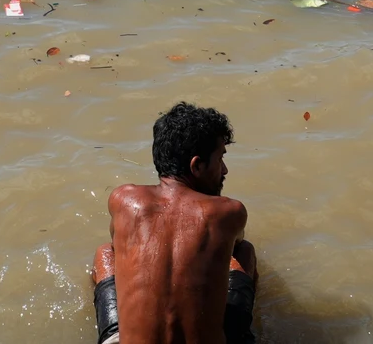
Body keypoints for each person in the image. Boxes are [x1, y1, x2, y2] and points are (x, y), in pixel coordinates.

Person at [93, 103, 256, 344]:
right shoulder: (228, 211)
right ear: (197, 165)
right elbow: (235, 245)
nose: (224, 169)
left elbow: (118, 247)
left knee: (105, 253)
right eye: (220, 158)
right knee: (244, 252)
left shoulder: (124, 200)